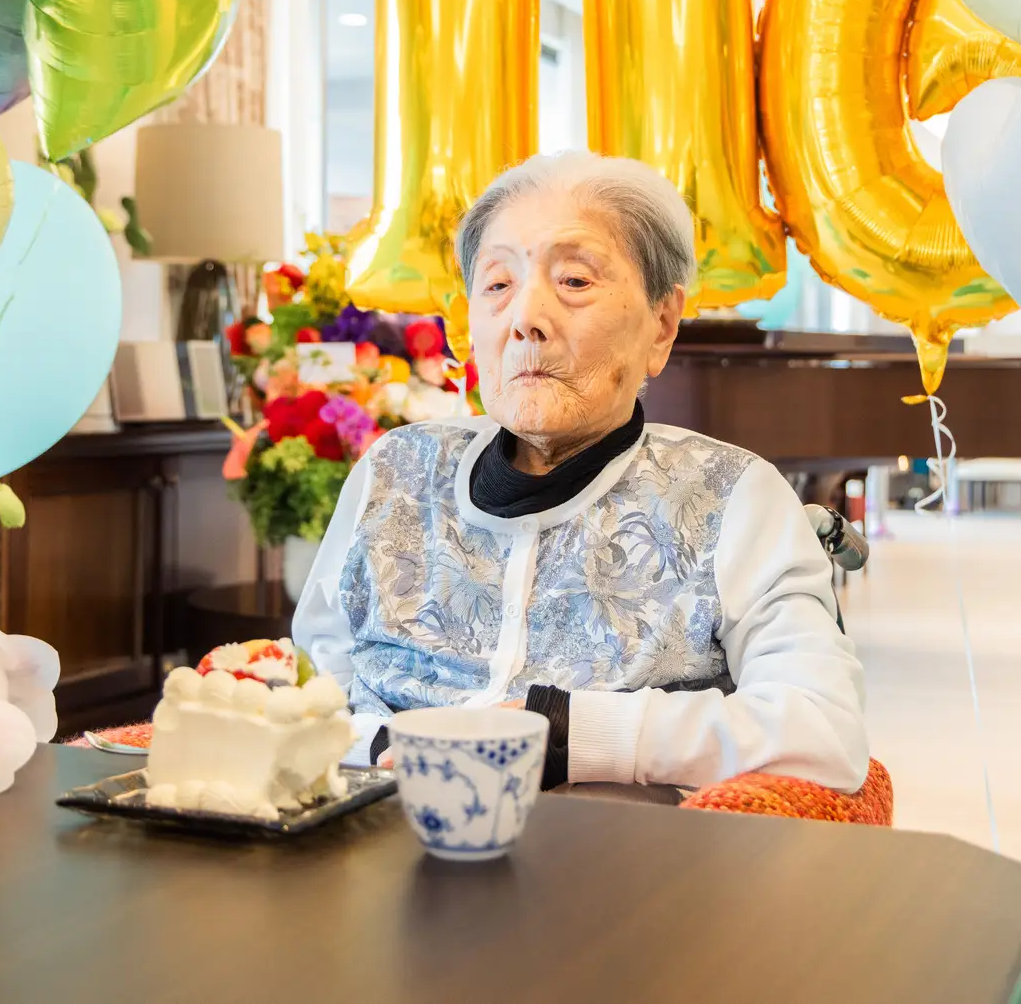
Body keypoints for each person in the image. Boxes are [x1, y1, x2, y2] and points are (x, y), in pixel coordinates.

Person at [292, 152, 868, 794]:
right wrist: (379, 745)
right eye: (498, 285)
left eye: (574, 281)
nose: (525, 319)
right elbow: (316, 680)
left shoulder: (731, 498)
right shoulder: (395, 472)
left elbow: (824, 730)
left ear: (662, 326)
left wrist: (565, 733)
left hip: (616, 872)